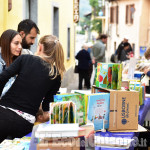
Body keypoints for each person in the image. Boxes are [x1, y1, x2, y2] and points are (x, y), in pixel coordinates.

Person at [0, 35, 65, 142]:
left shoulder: (25, 59)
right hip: (24, 123)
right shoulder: (55, 74)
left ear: (40, 47)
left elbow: (2, 78)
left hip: (3, 114)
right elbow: (47, 106)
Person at [0, 29, 22, 97]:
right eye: (16, 43)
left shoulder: (16, 61)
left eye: (21, 43)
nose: (20, 47)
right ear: (6, 43)